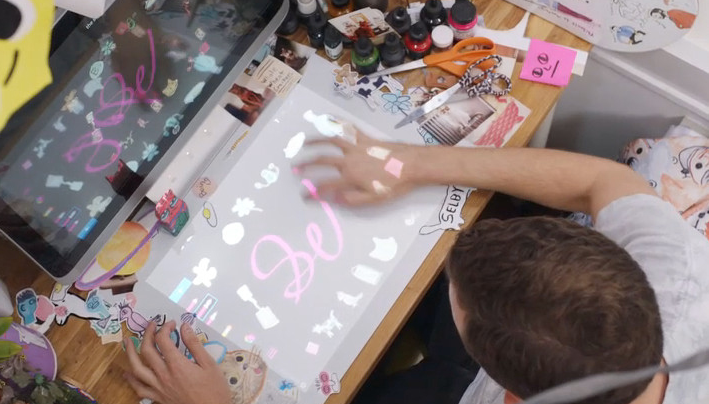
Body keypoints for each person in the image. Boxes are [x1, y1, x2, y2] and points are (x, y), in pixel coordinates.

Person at [122, 127, 709, 404]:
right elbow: (605, 180)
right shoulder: (680, 275)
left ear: (510, 394)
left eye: (459, 298)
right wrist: (410, 162)